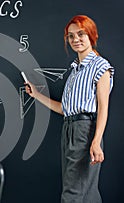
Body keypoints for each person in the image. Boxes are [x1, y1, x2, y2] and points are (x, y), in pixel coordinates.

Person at [25, 15, 114, 202]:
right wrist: (36, 95)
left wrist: (96, 141)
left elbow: (103, 108)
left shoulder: (100, 66)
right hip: (69, 129)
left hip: (85, 130)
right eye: (71, 36)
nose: (75, 40)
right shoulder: (75, 71)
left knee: (73, 192)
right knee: (85, 192)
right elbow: (65, 109)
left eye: (81, 34)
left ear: (92, 35)